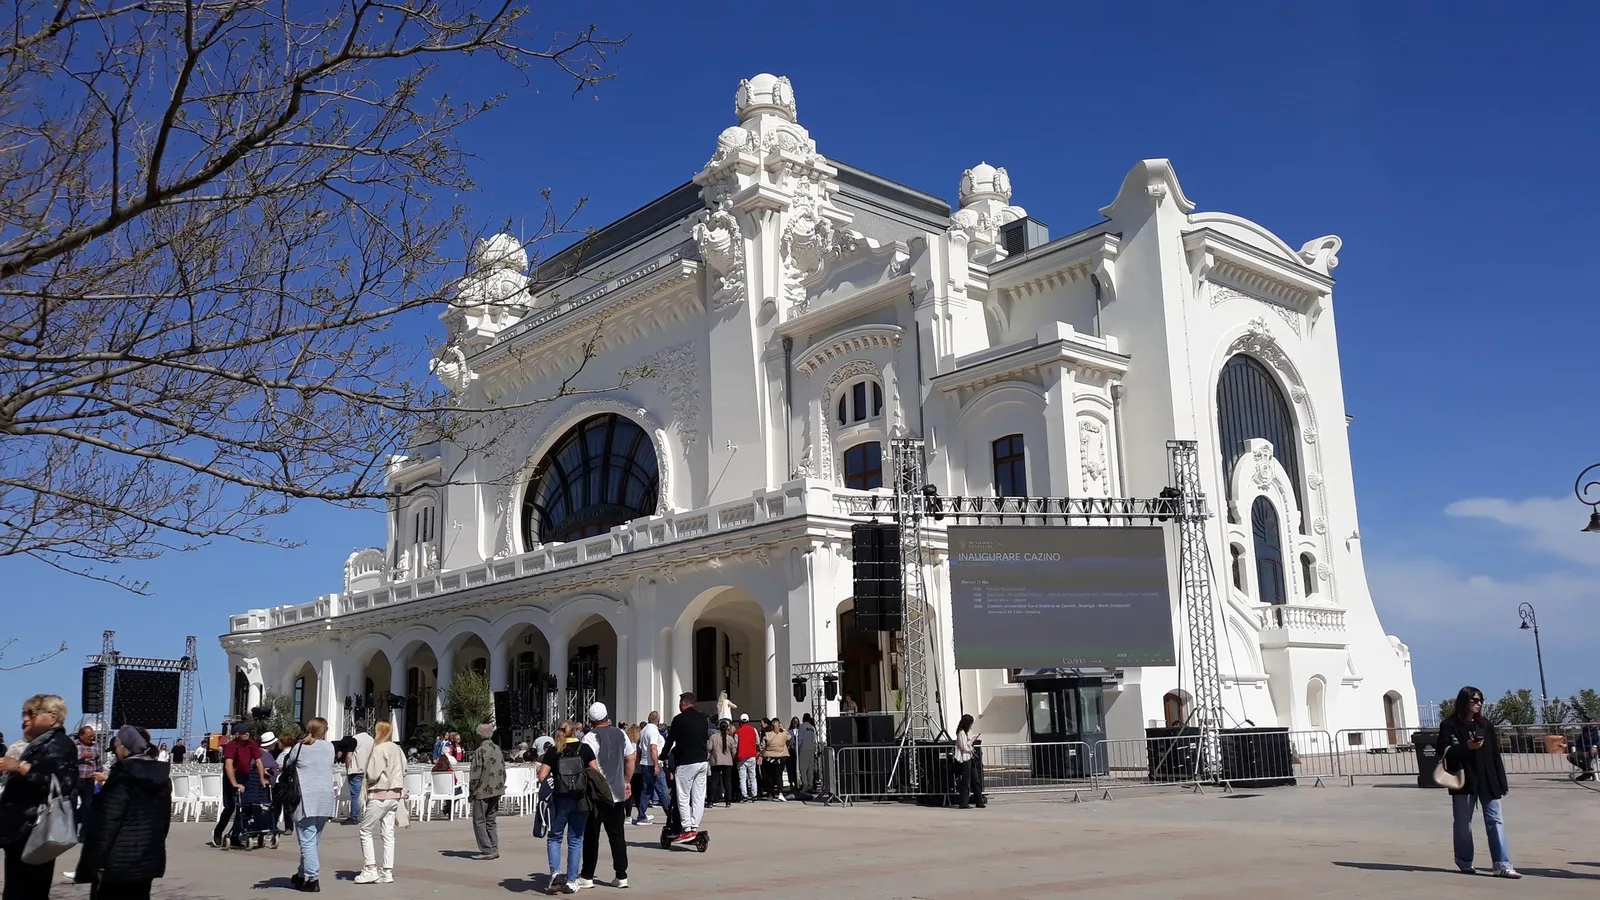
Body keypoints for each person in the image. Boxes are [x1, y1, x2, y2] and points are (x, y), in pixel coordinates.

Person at [75, 725, 170, 900]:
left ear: (126, 747)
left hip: (118, 861)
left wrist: (95, 860)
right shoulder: (161, 777)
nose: (115, 753)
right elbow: (164, 821)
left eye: (116, 748)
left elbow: (108, 821)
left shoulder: (122, 775)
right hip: (148, 857)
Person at [0, 694, 77, 899]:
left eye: (31, 713)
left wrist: (20, 767)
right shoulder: (39, 744)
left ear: (52, 716)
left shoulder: (60, 744)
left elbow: (62, 783)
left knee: (26, 891)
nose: (25, 719)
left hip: (34, 831)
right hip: (21, 833)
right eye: (23, 714)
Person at [1438, 686, 1519, 878]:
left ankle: (1502, 864)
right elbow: (1443, 752)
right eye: (1474, 700)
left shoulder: (1485, 725)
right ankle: (1464, 861)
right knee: (1463, 823)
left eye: (1481, 700)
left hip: (1488, 780)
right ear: (1464, 701)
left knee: (1495, 821)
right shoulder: (1449, 725)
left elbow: (1494, 755)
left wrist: (1502, 781)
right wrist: (1467, 747)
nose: (1479, 704)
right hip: (1464, 781)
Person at [536, 721, 598, 895]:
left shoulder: (554, 751)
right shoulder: (585, 749)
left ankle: (555, 873)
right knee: (576, 840)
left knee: (555, 837)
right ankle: (571, 880)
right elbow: (595, 772)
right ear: (575, 732)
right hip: (580, 800)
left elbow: (542, 776)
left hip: (559, 801)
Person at [577, 703, 634, 890]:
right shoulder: (621, 733)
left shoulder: (589, 737)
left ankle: (587, 875)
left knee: (591, 835)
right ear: (607, 716)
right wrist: (627, 780)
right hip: (617, 793)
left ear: (591, 721)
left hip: (597, 795)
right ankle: (621, 875)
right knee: (617, 835)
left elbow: (589, 765)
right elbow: (631, 758)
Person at [286, 718, 338, 892]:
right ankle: (301, 875)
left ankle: (313, 878)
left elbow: (287, 764)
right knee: (312, 841)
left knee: (307, 841)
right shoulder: (329, 747)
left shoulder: (300, 747)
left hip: (306, 797)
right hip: (325, 798)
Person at [355, 720, 406, 884]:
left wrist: (367, 776)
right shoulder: (397, 748)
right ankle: (387, 871)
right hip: (395, 794)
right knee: (388, 833)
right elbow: (404, 767)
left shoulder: (379, 748)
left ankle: (370, 868)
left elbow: (373, 772)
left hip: (379, 793)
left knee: (365, 830)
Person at [661, 692, 710, 841]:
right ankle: (695, 825)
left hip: (687, 762)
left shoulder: (678, 720)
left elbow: (670, 741)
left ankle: (687, 828)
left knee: (683, 795)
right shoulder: (703, 719)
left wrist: (662, 756)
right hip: (702, 761)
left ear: (683, 703)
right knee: (699, 796)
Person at [211, 724, 264, 850]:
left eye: (247, 731)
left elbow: (258, 762)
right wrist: (234, 783)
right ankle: (218, 832)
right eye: (243, 732)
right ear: (236, 734)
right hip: (231, 776)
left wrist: (262, 778)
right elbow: (228, 765)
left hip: (245, 777)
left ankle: (235, 836)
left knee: (246, 806)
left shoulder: (251, 744)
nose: (246, 734)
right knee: (230, 807)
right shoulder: (231, 746)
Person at [468, 722, 506, 861]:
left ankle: (486, 849)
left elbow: (475, 774)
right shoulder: (497, 749)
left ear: (479, 736)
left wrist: (471, 792)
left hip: (482, 790)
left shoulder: (480, 751)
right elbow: (503, 770)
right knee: (491, 819)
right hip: (496, 789)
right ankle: (494, 848)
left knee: (479, 820)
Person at [632, 712, 666, 826]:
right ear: (658, 719)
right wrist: (656, 764)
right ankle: (671, 815)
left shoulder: (644, 730)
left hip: (644, 763)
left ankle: (641, 815)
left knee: (646, 790)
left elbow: (640, 748)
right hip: (652, 764)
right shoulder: (653, 731)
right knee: (662, 791)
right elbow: (653, 748)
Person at [74, 725, 106, 835]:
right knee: (72, 806)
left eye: (93, 736)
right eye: (89, 736)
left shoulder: (96, 747)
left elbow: (99, 764)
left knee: (88, 806)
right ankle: (71, 832)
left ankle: (85, 833)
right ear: (81, 735)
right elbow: (67, 761)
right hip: (75, 781)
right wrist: (81, 757)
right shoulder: (73, 745)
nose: (92, 738)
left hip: (89, 780)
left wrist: (100, 778)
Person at [344, 726, 374, 826]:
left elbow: (349, 756)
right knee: (368, 794)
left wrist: (348, 767)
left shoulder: (354, 739)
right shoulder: (371, 739)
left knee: (355, 795)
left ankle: (354, 816)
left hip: (356, 770)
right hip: (367, 770)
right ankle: (369, 816)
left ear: (356, 729)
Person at [707, 720, 738, 808]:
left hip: (716, 761)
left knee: (714, 781)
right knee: (727, 782)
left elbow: (709, 748)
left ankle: (710, 801)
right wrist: (730, 757)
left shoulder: (713, 737)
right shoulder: (730, 739)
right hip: (728, 762)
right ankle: (728, 801)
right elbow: (734, 751)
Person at [761, 719, 790, 801]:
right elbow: (789, 737)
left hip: (769, 757)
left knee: (769, 776)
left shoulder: (767, 734)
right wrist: (783, 728)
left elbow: (763, 745)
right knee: (779, 776)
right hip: (781, 757)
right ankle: (780, 793)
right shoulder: (784, 734)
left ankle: (770, 793)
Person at [954, 714, 979, 809]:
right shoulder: (961, 733)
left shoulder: (964, 733)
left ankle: (979, 800)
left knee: (975, 780)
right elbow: (963, 746)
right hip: (964, 759)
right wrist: (970, 744)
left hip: (969, 758)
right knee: (965, 781)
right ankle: (963, 803)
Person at [734, 714, 760, 803]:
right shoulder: (754, 730)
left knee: (742, 778)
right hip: (752, 755)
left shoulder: (738, 732)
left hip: (741, 756)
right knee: (753, 776)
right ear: (748, 721)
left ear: (740, 722)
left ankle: (744, 795)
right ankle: (754, 795)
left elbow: (735, 745)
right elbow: (758, 742)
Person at [795, 713, 818, 794]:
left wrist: (798, 748)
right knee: (810, 769)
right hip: (811, 749)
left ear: (803, 718)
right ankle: (810, 785)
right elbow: (815, 740)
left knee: (803, 768)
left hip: (803, 749)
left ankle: (804, 785)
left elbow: (800, 739)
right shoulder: (812, 728)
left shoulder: (801, 727)